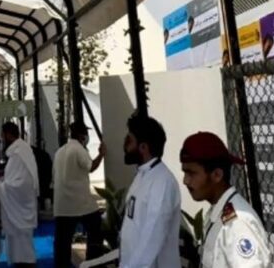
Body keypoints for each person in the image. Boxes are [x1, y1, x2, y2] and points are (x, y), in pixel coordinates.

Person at [180, 132, 271, 268]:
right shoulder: (219, 212)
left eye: (191, 173)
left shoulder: (237, 223)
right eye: (184, 172)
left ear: (217, 175)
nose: (185, 181)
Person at [117, 115, 181, 268]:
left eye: (129, 140)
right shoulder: (142, 174)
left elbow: (152, 236)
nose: (125, 145)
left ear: (143, 147)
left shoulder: (162, 182)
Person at [53, 121, 106, 267]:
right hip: (80, 204)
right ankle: (93, 262)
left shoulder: (59, 152)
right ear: (82, 136)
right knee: (95, 229)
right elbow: (91, 167)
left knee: (62, 243)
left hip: (61, 206)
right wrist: (101, 154)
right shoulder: (78, 149)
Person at [0, 122, 38, 268]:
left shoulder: (18, 153)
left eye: (3, 135)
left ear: (9, 135)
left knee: (23, 248)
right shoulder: (21, 150)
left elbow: (20, 184)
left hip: (20, 205)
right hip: (20, 204)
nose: (2, 139)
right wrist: (2, 178)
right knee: (20, 246)